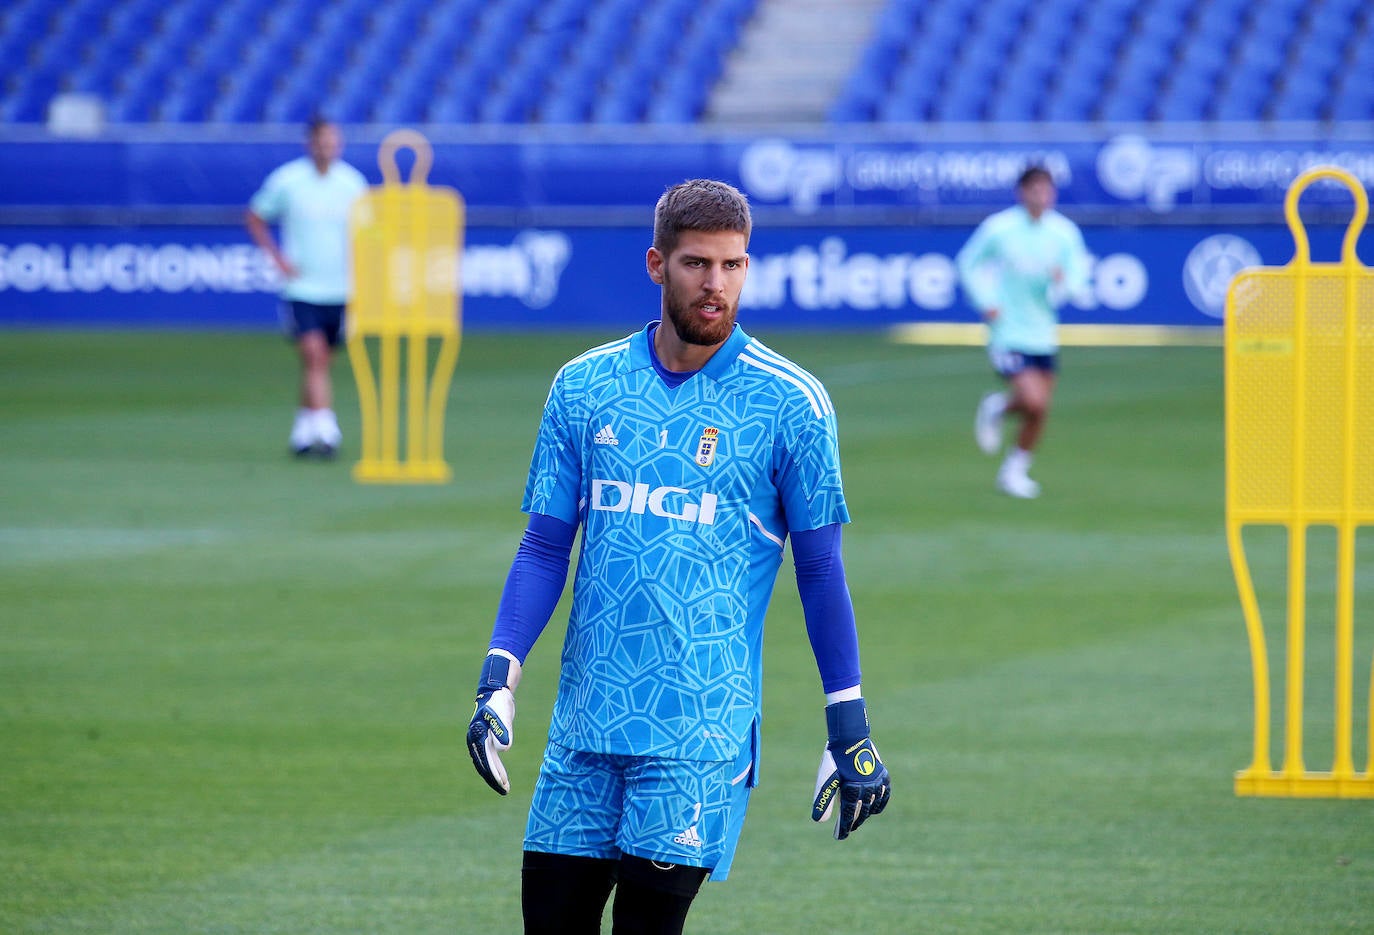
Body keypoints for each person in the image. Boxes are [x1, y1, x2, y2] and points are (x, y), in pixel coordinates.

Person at [465, 179, 892, 935]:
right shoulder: (584, 387)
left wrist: (848, 722)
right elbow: (542, 548)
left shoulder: (793, 403)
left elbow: (821, 570)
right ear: (658, 263)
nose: (716, 284)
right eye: (698, 263)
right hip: (583, 729)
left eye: (733, 266)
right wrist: (500, 677)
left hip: (697, 733)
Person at [956, 165, 1091, 499]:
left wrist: (1064, 286)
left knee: (1039, 409)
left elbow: (1078, 273)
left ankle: (1013, 468)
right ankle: (1000, 410)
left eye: (1047, 190)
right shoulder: (1000, 228)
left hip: (1043, 333)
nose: (1041, 196)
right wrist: (984, 300)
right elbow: (968, 262)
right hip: (1008, 331)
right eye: (1035, 190)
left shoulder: (1063, 233)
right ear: (1022, 192)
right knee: (1034, 399)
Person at [245, 117, 368, 458]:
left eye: (333, 141)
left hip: (342, 288)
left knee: (321, 361)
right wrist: (278, 259)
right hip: (302, 287)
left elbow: (368, 231)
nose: (328, 147)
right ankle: (328, 431)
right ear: (310, 144)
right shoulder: (288, 180)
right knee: (313, 353)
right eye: (322, 141)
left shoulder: (352, 183)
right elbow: (255, 216)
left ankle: (303, 429)